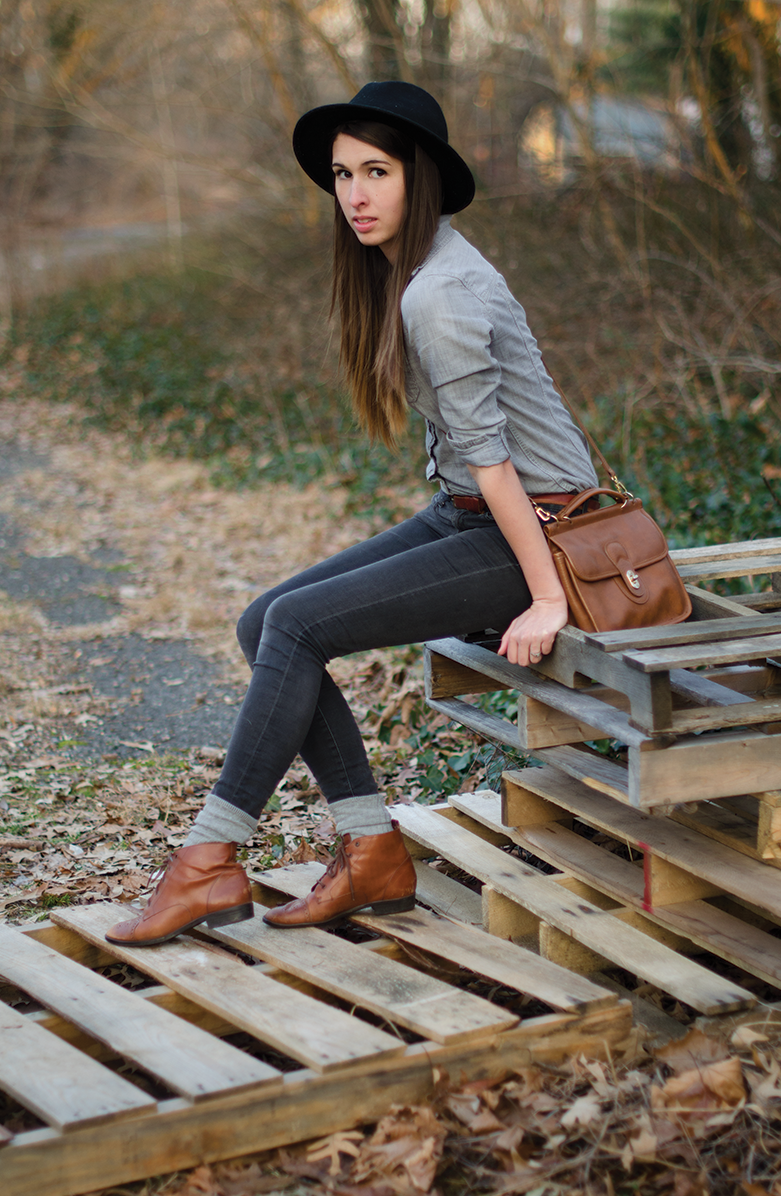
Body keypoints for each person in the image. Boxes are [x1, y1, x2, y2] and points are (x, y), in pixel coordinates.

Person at [105, 80, 598, 949]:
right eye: (342, 175)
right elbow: (472, 466)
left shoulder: (437, 293)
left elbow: (494, 460)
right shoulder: (421, 266)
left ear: (422, 178)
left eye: (378, 171)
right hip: (474, 512)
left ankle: (209, 860)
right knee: (268, 621)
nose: (356, 195)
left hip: (540, 528)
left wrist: (548, 596)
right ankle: (371, 845)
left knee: (292, 625)